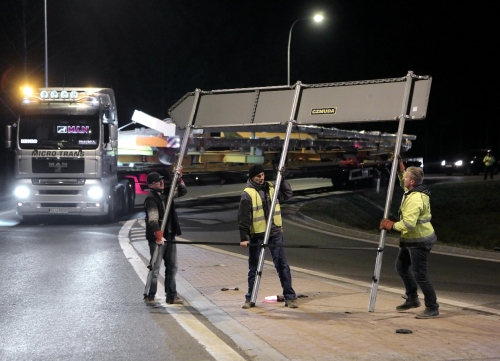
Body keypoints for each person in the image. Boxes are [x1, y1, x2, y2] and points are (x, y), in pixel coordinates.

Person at [380, 159, 439, 319]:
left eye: (405, 177)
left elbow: (408, 224)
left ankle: (432, 307)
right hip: (411, 240)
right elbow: (402, 183)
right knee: (401, 267)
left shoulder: (415, 199)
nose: (403, 179)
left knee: (421, 275)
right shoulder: (415, 189)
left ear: (412, 181)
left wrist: (390, 225)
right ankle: (412, 299)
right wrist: (401, 170)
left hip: (419, 240)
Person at [238, 164, 298, 309]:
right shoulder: (248, 193)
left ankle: (290, 297)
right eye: (258, 176)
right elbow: (243, 217)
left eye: (263, 175)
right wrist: (244, 237)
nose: (262, 178)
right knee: (254, 268)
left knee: (282, 265)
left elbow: (287, 194)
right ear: (252, 177)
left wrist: (282, 179)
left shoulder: (272, 187)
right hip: (257, 235)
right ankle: (250, 298)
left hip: (274, 233)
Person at [144, 170, 187, 305]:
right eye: (158, 181)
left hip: (170, 235)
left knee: (172, 267)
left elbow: (182, 191)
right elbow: (153, 219)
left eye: (162, 180)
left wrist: (179, 179)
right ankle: (150, 295)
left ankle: (171, 295)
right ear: (151, 185)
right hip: (158, 239)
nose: (162, 183)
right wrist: (158, 235)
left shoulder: (166, 195)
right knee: (155, 268)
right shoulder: (151, 199)